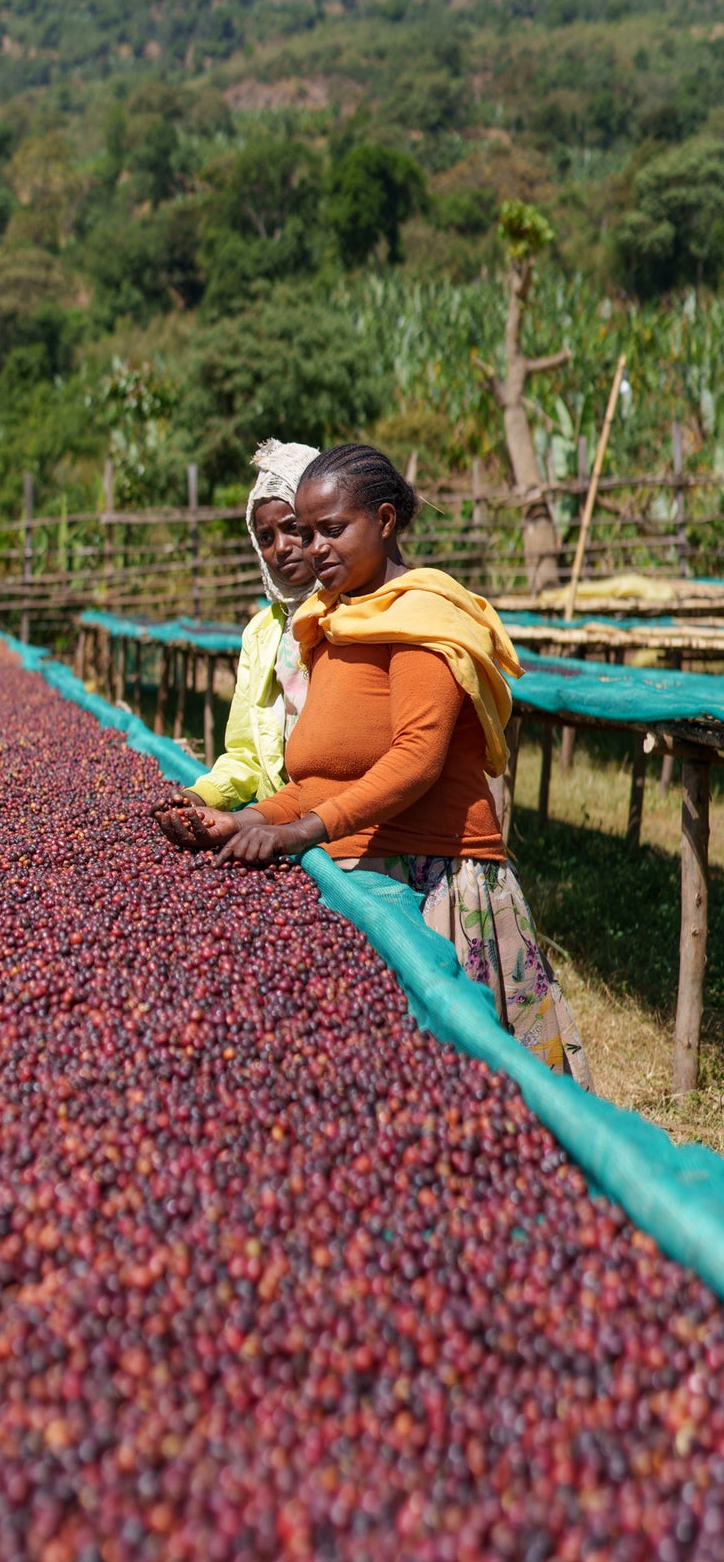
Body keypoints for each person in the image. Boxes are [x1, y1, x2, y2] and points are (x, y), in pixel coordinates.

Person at [155, 441, 591, 1086]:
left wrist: (297, 832)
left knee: (478, 1094)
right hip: (363, 881)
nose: (314, 548)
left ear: (384, 521)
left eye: (333, 530)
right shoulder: (335, 624)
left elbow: (415, 761)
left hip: (435, 883)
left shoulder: (420, 618)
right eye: (307, 533)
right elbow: (322, 779)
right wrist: (243, 818)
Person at [173, 437, 318, 811]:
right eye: (266, 537)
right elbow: (245, 754)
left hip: (345, 829)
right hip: (278, 828)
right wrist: (200, 797)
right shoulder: (262, 632)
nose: (281, 547)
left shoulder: (353, 613)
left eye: (293, 528)